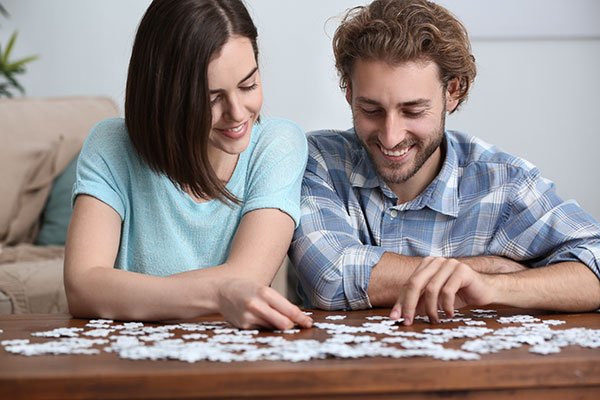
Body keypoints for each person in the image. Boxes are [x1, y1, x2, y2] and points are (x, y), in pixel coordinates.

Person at [289, 0, 600, 325]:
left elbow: (595, 263)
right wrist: (487, 266)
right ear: (349, 92)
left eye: (412, 111)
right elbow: (331, 276)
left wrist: (494, 286)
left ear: (452, 92)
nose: (391, 136)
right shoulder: (317, 161)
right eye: (371, 110)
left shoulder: (503, 182)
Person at [64, 0, 312, 330]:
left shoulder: (278, 144)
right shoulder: (111, 144)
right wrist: (221, 289)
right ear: (166, 95)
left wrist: (129, 293)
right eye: (211, 98)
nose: (237, 113)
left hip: (234, 363)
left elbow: (247, 277)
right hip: (126, 361)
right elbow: (83, 287)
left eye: (249, 84)